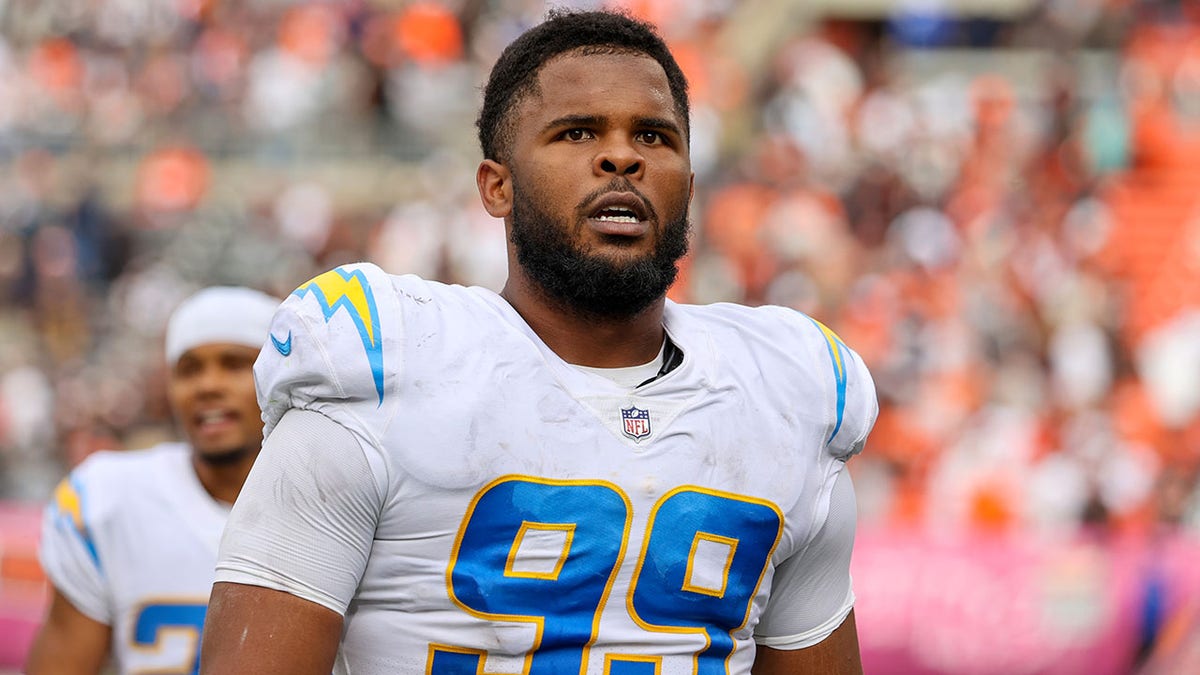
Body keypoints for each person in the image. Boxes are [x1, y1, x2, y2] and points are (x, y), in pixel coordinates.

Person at [201, 9, 877, 675]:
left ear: (689, 188)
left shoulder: (785, 397)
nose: (622, 156)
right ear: (497, 187)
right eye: (577, 132)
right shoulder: (384, 372)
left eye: (654, 136)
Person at [26, 286, 280, 675]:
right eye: (189, 369)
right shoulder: (109, 500)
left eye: (234, 364)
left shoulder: (340, 500)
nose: (208, 385)